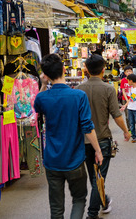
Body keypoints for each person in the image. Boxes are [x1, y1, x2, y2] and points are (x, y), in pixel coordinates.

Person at [34, 54, 103, 219]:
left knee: (56, 208)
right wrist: (98, 151)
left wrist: (44, 84)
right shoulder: (78, 96)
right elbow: (87, 127)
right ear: (64, 70)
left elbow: (37, 107)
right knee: (79, 199)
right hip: (75, 160)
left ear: (46, 75)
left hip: (52, 160)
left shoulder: (42, 97)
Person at [76, 54, 131, 219]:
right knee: (98, 179)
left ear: (86, 68)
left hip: (84, 141)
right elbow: (117, 115)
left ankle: (104, 201)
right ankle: (92, 214)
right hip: (102, 140)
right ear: (103, 69)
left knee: (94, 177)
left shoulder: (78, 90)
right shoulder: (108, 89)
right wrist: (126, 131)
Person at [123, 73, 136, 144]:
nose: (127, 82)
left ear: (131, 81)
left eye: (128, 80)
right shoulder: (131, 89)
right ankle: (134, 136)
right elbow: (131, 99)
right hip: (130, 108)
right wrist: (125, 105)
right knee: (131, 123)